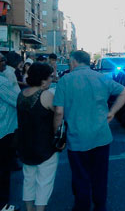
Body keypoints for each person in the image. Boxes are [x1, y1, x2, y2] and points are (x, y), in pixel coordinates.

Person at [53, 50, 125, 211]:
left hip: (77, 138)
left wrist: (55, 133)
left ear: (74, 62)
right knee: (100, 175)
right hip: (101, 136)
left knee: (80, 176)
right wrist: (112, 112)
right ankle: (100, 205)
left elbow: (59, 112)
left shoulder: (65, 80)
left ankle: (82, 205)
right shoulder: (102, 78)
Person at [16, 63, 59, 211]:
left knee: (28, 180)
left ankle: (29, 209)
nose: (52, 80)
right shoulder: (46, 95)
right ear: (42, 80)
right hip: (44, 146)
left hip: (25, 145)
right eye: (50, 77)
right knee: (44, 182)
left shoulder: (21, 94)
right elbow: (58, 114)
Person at [0, 53, 20, 211]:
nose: (5, 62)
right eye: (2, 60)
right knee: (3, 170)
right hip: (3, 131)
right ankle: (3, 205)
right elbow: (17, 100)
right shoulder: (2, 82)